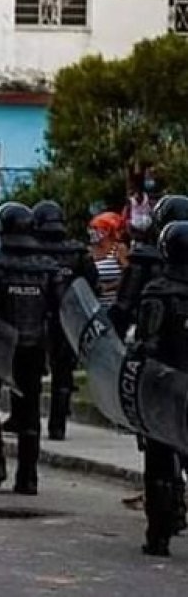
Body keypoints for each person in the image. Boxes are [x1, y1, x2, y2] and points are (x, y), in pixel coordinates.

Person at [0, 203, 59, 495]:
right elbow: (57, 309)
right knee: (29, 409)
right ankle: (28, 477)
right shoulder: (48, 268)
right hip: (33, 347)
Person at [133, 220, 188, 556]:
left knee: (158, 459)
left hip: (165, 387)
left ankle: (159, 535)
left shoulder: (159, 292)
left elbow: (146, 343)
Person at [32, 200, 98, 442]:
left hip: (37, 318)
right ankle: (57, 426)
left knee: (29, 371)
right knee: (64, 372)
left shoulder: (33, 250)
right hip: (69, 320)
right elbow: (92, 283)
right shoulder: (78, 252)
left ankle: (26, 421)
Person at [110, 194, 188, 336]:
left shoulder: (143, 259)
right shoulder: (145, 259)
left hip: (156, 341)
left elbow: (123, 306)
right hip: (152, 334)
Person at [89, 211, 124, 307]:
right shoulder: (89, 252)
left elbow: (128, 276)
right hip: (94, 307)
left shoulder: (118, 249)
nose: (91, 232)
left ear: (107, 230)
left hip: (114, 306)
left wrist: (109, 286)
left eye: (96, 228)